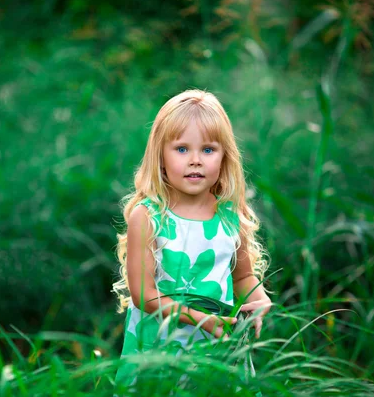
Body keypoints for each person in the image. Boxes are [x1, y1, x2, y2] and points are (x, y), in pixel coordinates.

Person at [112, 89, 271, 389]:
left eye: (208, 150)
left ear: (225, 157)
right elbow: (144, 295)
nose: (195, 160)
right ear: (160, 155)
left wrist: (258, 300)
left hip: (217, 349)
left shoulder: (229, 217)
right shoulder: (148, 218)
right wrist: (202, 319)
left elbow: (244, 277)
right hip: (161, 348)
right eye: (182, 149)